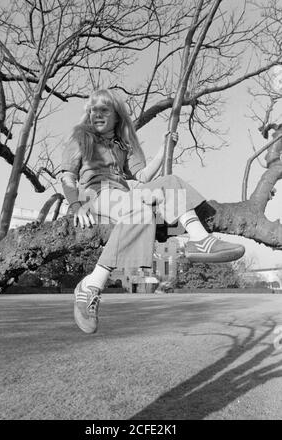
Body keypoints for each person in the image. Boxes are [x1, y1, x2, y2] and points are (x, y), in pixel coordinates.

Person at [61, 88, 245, 334]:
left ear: (117, 115)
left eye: (104, 109)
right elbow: (67, 175)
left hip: (122, 195)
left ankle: (200, 240)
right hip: (95, 193)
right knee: (140, 212)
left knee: (171, 182)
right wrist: (75, 206)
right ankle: (92, 285)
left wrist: (163, 146)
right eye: (93, 110)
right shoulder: (81, 136)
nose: (97, 114)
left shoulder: (123, 144)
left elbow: (144, 176)